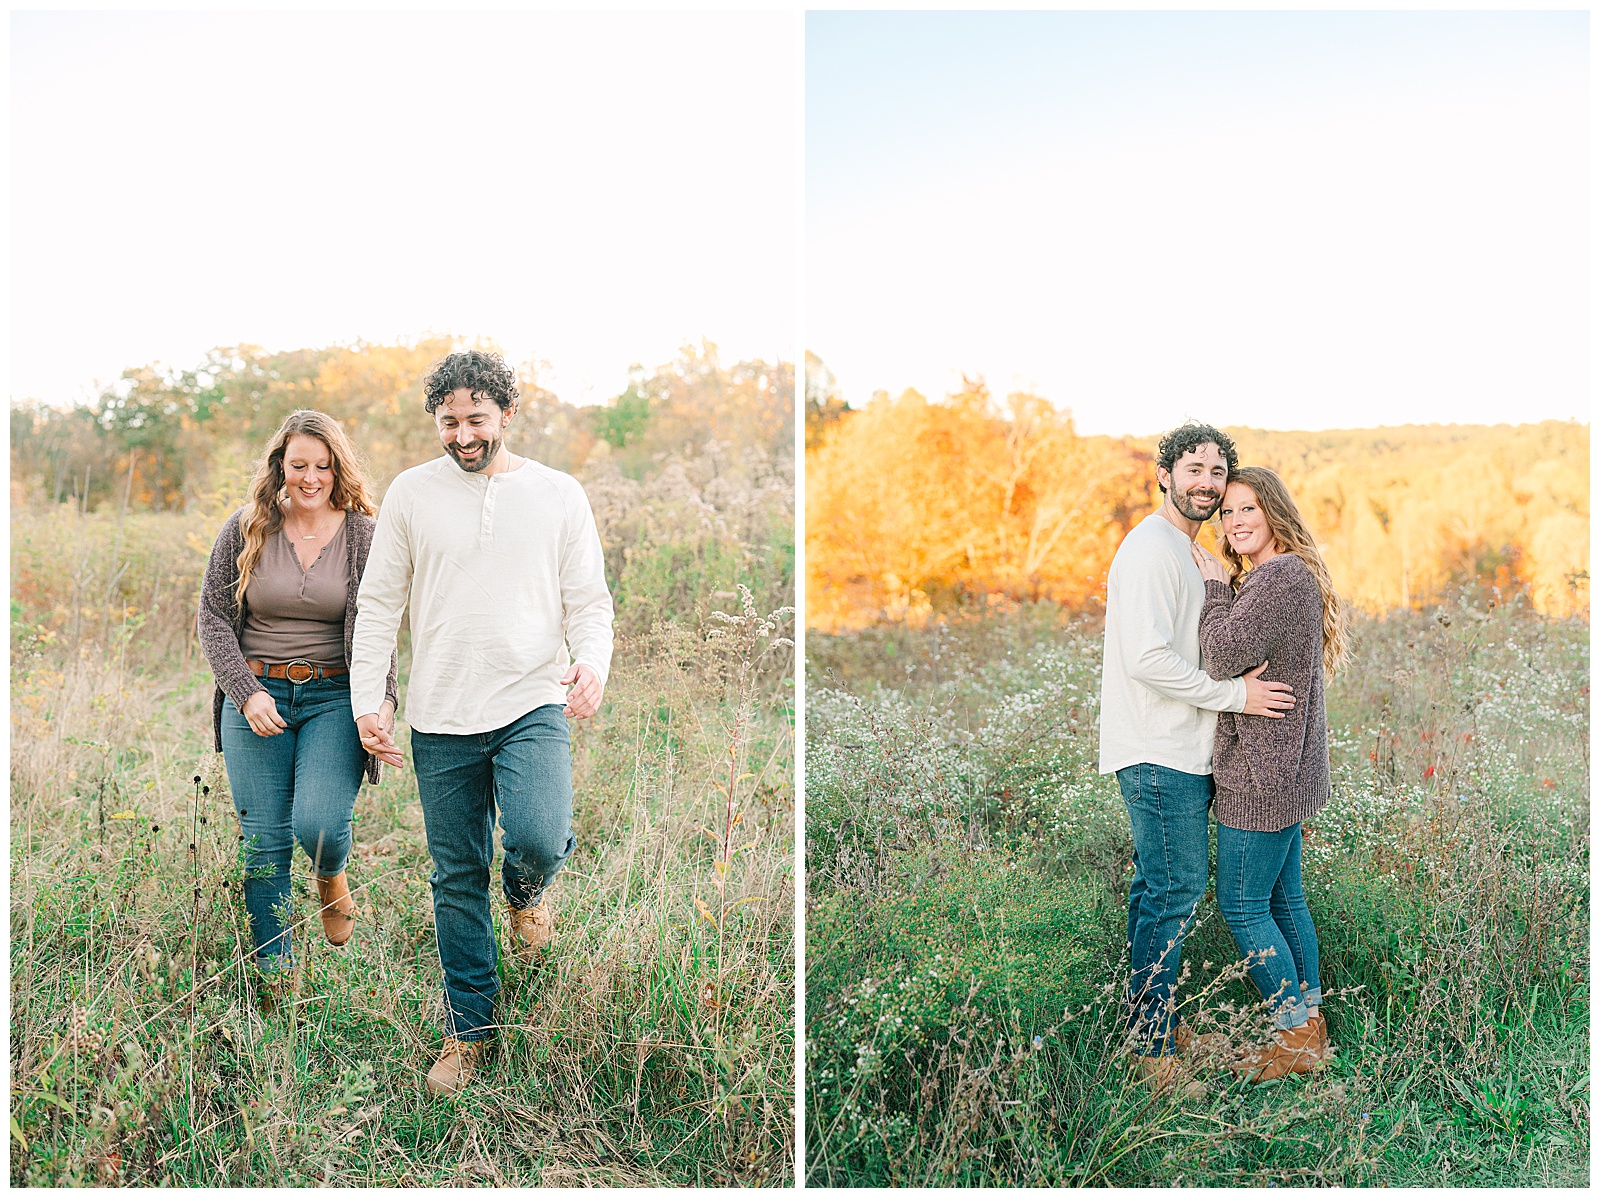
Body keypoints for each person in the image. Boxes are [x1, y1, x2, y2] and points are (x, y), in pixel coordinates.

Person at [349, 348, 614, 1098]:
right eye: (448, 421)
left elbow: (589, 604)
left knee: (535, 834)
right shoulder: (409, 494)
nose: (461, 435)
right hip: (440, 716)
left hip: (532, 699)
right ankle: (469, 1030)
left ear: (506, 414)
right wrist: (370, 700)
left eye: (475, 419)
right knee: (456, 877)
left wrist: (591, 663)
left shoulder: (559, 495)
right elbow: (378, 607)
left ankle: (528, 894)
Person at [1098, 422, 1296, 1093]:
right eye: (1194, 468)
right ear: (1164, 475)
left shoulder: (1187, 551)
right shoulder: (1152, 549)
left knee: (1159, 890)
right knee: (1173, 891)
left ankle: (1151, 1023)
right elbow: (1147, 659)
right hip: (1157, 751)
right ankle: (1153, 1057)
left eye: (1219, 471)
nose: (1208, 482)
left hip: (1185, 747)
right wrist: (1233, 695)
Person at [198, 410, 398, 995]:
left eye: (322, 465)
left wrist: (380, 703)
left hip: (335, 694)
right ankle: (275, 971)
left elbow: (376, 625)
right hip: (258, 692)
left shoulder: (364, 533)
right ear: (279, 467)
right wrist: (246, 691)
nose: (310, 478)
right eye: (298, 465)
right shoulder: (246, 526)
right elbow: (213, 617)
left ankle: (330, 872)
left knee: (318, 825)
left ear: (338, 468)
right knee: (264, 836)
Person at [1192, 466, 1349, 1082]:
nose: (1234, 521)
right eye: (1226, 512)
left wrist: (1213, 589)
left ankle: (1292, 1037)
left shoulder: (1279, 577)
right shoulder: (1280, 576)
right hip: (1286, 766)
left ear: (1274, 512)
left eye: (1247, 508)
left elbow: (1222, 653)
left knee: (1241, 903)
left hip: (1262, 773)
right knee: (1284, 899)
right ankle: (1307, 1031)